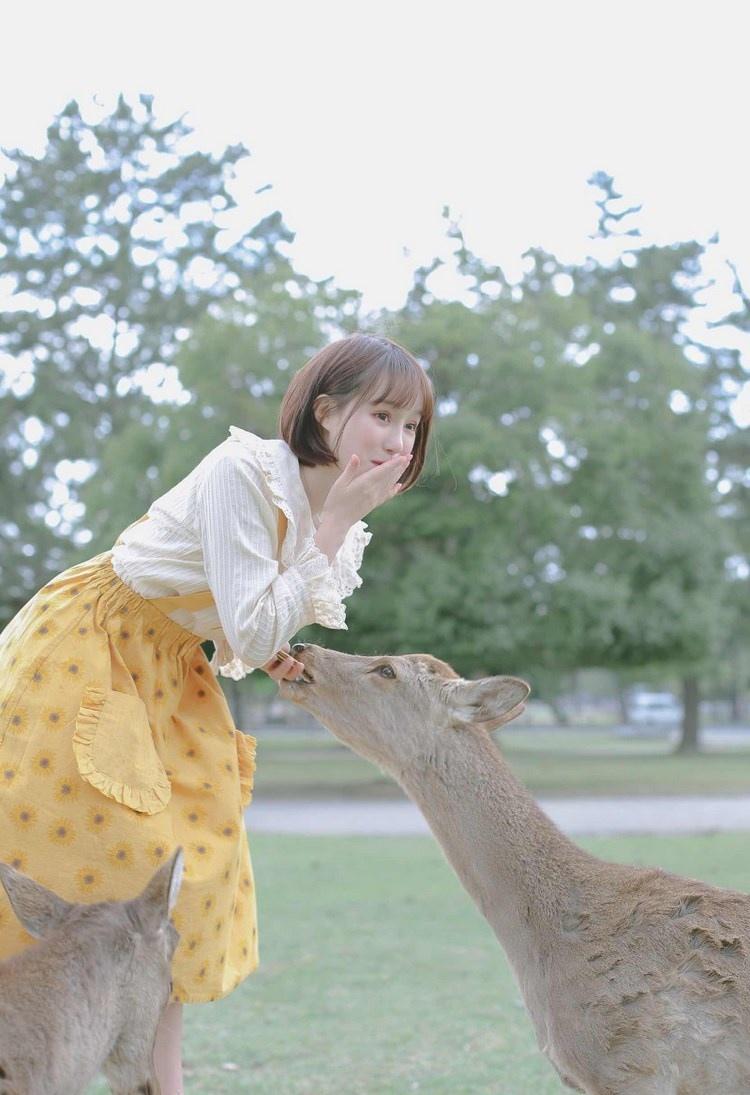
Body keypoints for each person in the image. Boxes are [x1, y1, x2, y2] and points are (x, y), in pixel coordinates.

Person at [0, 332, 434, 1093]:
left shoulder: (322, 508)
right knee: (62, 856)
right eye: (384, 416)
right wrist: (329, 529)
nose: (398, 440)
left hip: (170, 669)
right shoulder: (246, 472)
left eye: (411, 427)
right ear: (326, 410)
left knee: (179, 885)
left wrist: (268, 647)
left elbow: (243, 629)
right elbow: (255, 616)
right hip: (92, 647)